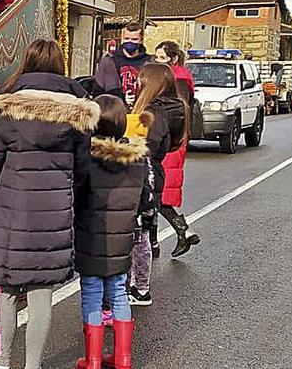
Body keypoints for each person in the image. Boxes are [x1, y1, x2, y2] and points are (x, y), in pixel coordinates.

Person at [0, 40, 98, 369]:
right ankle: (33, 366)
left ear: (26, 62)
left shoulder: (5, 108)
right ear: (59, 66)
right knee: (42, 295)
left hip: (8, 212)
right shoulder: (76, 112)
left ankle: (1, 363)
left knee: (8, 292)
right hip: (53, 215)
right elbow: (84, 170)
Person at [74, 95, 148, 369]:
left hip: (90, 234)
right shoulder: (137, 158)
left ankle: (93, 359)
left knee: (92, 291)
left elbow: (77, 195)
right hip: (123, 234)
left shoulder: (86, 158)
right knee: (118, 291)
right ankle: (123, 358)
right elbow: (143, 198)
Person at [127, 64, 187, 307]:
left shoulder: (154, 113)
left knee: (137, 235)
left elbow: (137, 144)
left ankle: (139, 287)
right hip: (155, 171)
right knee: (143, 232)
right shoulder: (176, 107)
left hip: (142, 174)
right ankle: (139, 285)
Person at [154, 41, 201, 257]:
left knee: (158, 193)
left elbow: (178, 109)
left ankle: (181, 231)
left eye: (161, 58)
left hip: (171, 140)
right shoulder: (173, 76)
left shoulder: (179, 78)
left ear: (172, 59)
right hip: (170, 138)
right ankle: (179, 233)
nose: (157, 61)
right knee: (157, 193)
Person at [93, 22, 153, 104]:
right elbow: (101, 90)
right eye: (126, 38)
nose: (129, 42)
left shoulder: (149, 62)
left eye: (134, 39)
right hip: (116, 108)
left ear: (141, 39)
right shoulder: (110, 61)